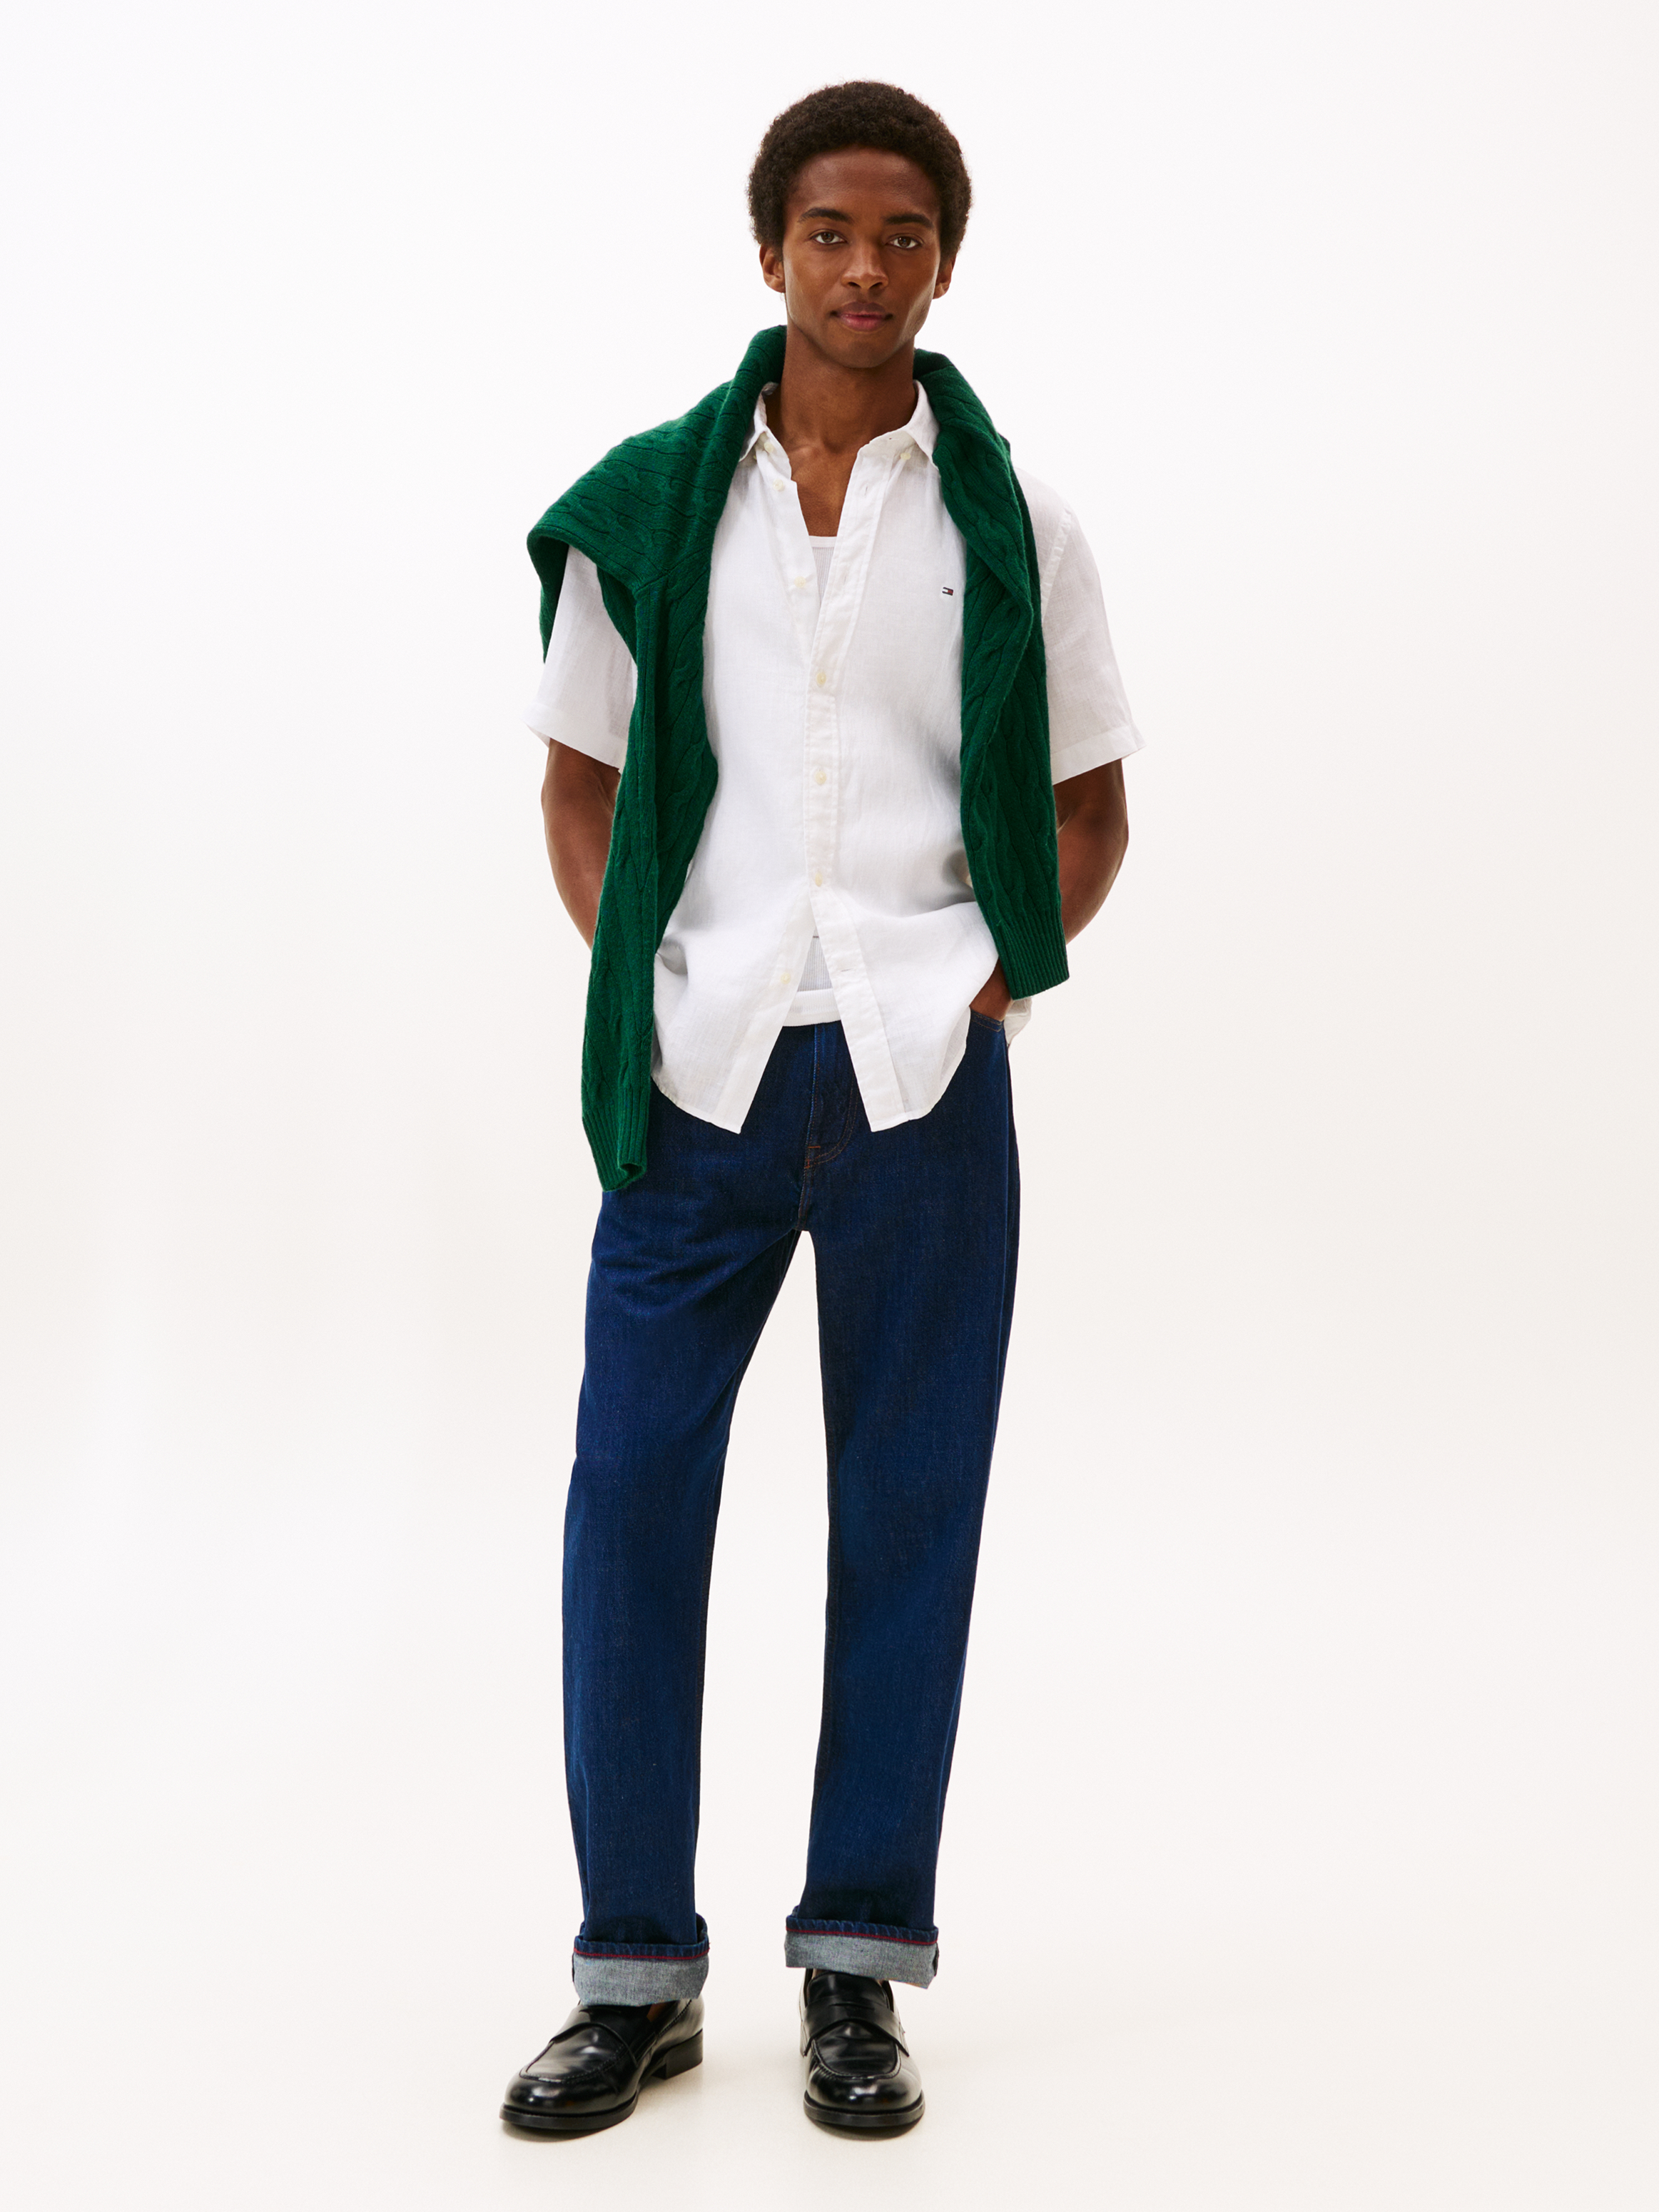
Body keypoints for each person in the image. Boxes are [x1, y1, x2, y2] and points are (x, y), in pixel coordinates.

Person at [501, 80, 1140, 2139]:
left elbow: (1092, 807)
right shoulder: (654, 503)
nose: (866, 268)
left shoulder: (1016, 524)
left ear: (947, 263)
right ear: (771, 249)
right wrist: (657, 973)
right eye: (831, 232)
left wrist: (982, 978)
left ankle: (858, 1966)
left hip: (922, 1078)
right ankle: (633, 1976)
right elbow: (580, 785)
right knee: (631, 1498)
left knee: (909, 1507)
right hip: (698, 1075)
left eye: (903, 235)